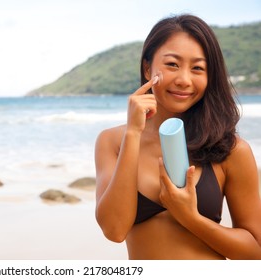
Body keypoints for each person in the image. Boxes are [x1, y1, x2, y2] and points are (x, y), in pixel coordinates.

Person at [94, 14, 261, 259]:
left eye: (198, 68)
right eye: (172, 64)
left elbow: (256, 251)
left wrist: (191, 218)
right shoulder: (113, 141)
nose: (184, 80)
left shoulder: (231, 149)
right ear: (148, 67)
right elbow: (114, 230)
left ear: (209, 76)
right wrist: (133, 132)